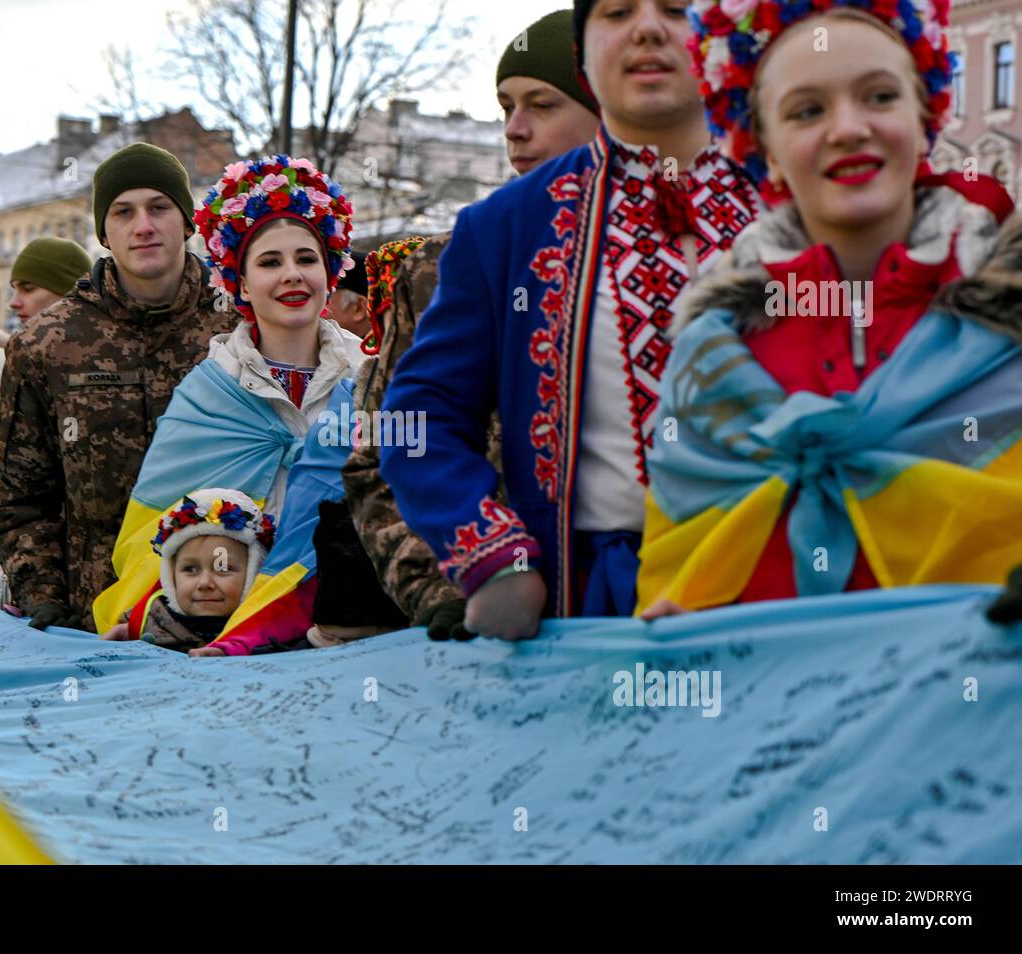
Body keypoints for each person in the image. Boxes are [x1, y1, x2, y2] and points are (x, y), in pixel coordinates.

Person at [379, 0, 761, 640]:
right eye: (616, 11)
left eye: (675, 8)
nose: (646, 27)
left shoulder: (795, 197)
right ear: (585, 51)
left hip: (787, 592)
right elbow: (420, 418)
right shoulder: (506, 226)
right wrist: (495, 558)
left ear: (717, 33)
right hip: (595, 603)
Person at [635, 0, 1022, 616]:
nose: (847, 128)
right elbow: (676, 573)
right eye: (808, 110)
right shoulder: (711, 355)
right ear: (765, 148)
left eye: (879, 97)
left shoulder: (1010, 327)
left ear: (925, 119)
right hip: (769, 703)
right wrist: (683, 624)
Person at [345, 8, 603, 642]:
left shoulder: (677, 240)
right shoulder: (442, 264)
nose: (514, 130)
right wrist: (453, 579)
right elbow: (384, 449)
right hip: (496, 616)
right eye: (505, 107)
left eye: (542, 104)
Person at [92, 153, 365, 647]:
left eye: (307, 259)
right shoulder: (207, 392)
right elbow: (153, 531)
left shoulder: (370, 382)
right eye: (269, 262)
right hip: (221, 639)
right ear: (239, 282)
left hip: (346, 629)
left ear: (330, 272)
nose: (292, 276)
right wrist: (153, 610)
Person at [0, 144, 236, 632]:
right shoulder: (46, 342)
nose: (143, 225)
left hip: (225, 614)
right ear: (104, 231)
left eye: (159, 207)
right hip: (92, 617)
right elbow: (15, 497)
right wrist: (45, 599)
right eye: (124, 212)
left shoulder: (238, 323)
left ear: (187, 223)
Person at [101, 488, 274, 650]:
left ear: (254, 573)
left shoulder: (276, 633)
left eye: (222, 568)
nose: (205, 583)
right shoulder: (139, 628)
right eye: (191, 569)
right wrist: (128, 633)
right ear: (170, 576)